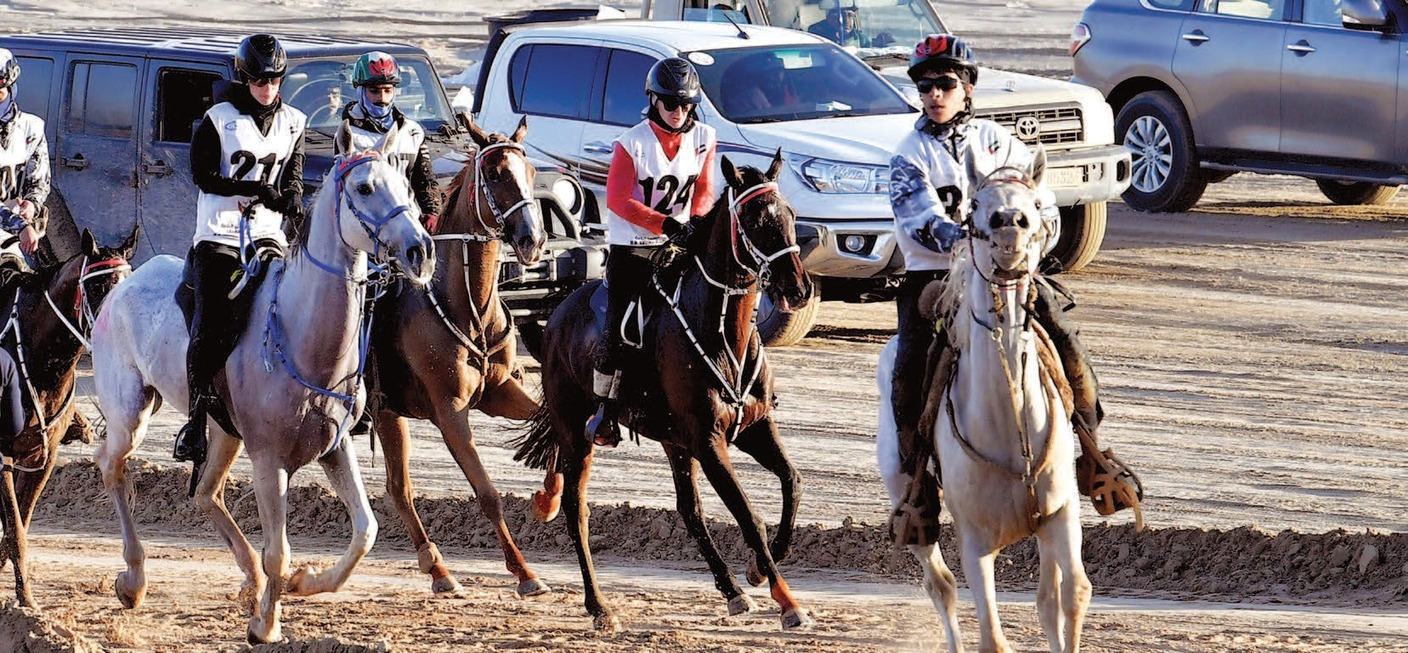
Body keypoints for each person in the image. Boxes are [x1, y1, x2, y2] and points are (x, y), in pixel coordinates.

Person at [887, 34, 1142, 543]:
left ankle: (1092, 450)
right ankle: (918, 485)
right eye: (925, 86)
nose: (934, 94)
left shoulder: (1002, 145)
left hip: (1009, 270)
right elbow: (918, 220)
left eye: (945, 84)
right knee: (909, 365)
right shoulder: (909, 154)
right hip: (935, 276)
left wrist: (1023, 245)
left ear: (967, 89)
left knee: (1064, 334)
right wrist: (970, 241)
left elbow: (1044, 208)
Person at [174, 34, 306, 468]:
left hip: (270, 235)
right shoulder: (218, 118)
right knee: (213, 322)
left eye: (273, 79)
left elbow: (293, 179)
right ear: (243, 78)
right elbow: (203, 175)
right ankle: (195, 423)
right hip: (220, 233)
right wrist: (253, 190)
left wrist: (291, 200)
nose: (267, 87)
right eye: (258, 79)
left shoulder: (295, 122)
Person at [586, 57, 718, 448]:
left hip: (680, 245)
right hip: (634, 250)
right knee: (621, 327)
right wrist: (666, 224)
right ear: (654, 101)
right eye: (671, 104)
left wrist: (695, 219)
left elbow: (707, 189)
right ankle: (603, 410)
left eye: (686, 105)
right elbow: (619, 200)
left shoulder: (704, 138)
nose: (679, 112)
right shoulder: (632, 144)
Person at [335, 51, 440, 229]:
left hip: (409, 223)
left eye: (387, 91)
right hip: (369, 226)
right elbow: (341, 189)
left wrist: (432, 211)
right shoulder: (347, 133)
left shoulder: (412, 131)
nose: (382, 99)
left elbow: (425, 180)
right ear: (360, 91)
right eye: (374, 91)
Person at [0, 48, 48, 294]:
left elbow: (39, 181)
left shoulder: (32, 128)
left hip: (15, 244)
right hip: (17, 232)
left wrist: (31, 203)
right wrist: (19, 225)